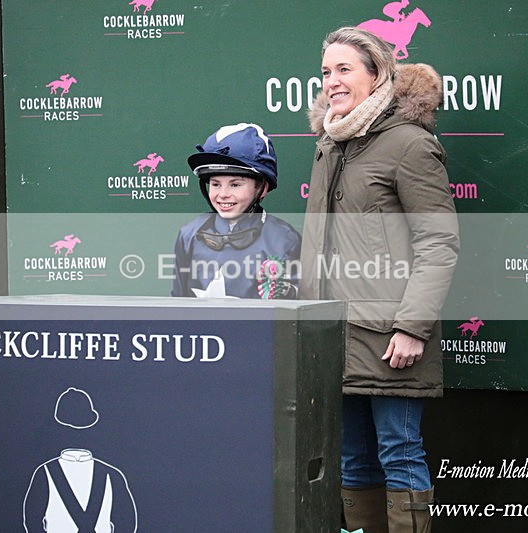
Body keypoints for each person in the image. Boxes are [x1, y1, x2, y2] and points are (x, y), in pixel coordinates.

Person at [299, 27, 459, 532]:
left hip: (391, 336)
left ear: (378, 74)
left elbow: (439, 244)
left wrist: (412, 327)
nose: (332, 81)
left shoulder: (410, 144)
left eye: (344, 69)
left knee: (400, 452)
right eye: (326, 71)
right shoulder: (330, 143)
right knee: (352, 459)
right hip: (334, 336)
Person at [171, 123, 301, 299]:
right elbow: (177, 304)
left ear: (262, 188)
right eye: (215, 184)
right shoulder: (189, 235)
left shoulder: (285, 240)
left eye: (235, 185)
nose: (223, 194)